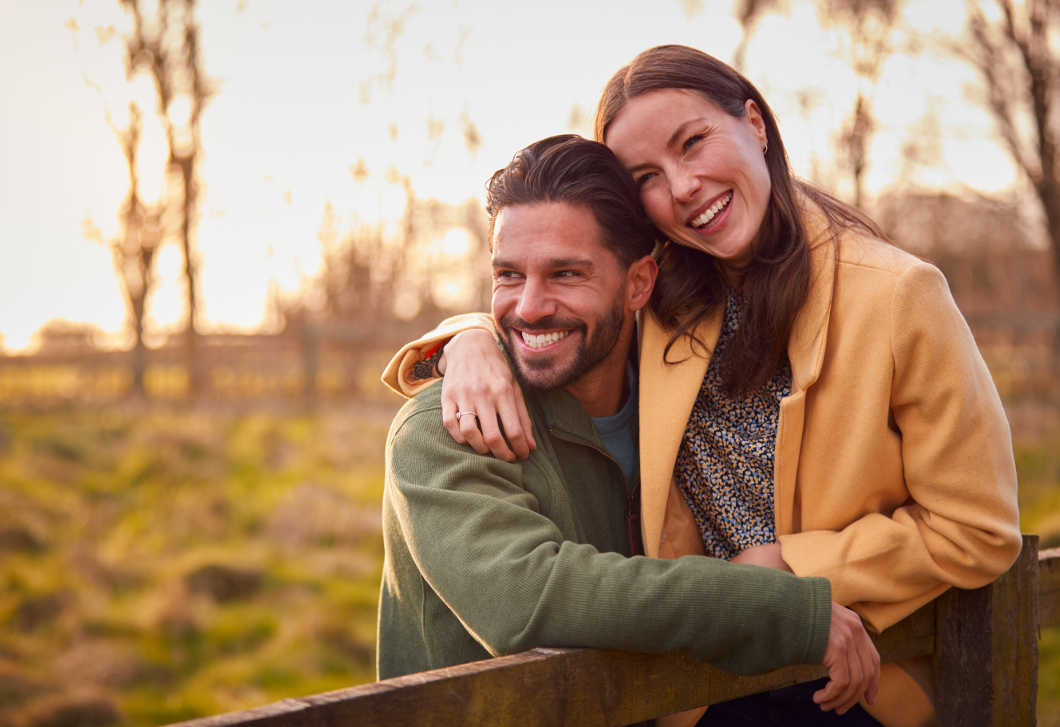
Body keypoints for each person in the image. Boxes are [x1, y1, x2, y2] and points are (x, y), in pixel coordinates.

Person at [382, 46, 1022, 727]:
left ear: (755, 121)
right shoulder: (672, 295)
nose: (683, 186)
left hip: (847, 674)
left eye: (694, 143)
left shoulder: (897, 295)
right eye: (648, 176)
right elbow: (557, 290)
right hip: (696, 686)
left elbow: (978, 527)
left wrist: (787, 566)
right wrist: (469, 339)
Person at [377, 134, 881, 722]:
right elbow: (529, 600)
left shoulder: (681, 405)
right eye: (508, 275)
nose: (530, 306)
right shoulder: (442, 427)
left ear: (639, 283)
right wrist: (785, 612)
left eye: (566, 274)